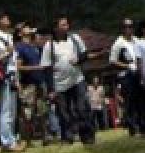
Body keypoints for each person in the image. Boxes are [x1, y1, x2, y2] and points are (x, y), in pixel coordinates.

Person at [42, 16, 93, 145]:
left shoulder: (75, 38)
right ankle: (67, 137)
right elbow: (47, 68)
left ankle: (87, 136)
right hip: (59, 84)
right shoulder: (49, 46)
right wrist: (50, 90)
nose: (67, 27)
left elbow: (85, 54)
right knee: (64, 112)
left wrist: (79, 60)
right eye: (63, 25)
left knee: (82, 108)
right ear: (56, 28)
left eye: (67, 24)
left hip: (77, 79)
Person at [0, 11, 25, 153]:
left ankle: (11, 139)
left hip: (12, 77)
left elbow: (13, 62)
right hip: (4, 79)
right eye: (3, 18)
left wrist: (17, 79)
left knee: (12, 111)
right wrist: (6, 54)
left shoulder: (8, 37)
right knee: (5, 111)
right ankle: (7, 142)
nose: (7, 18)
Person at [14, 24, 48, 146]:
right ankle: (26, 140)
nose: (29, 28)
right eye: (26, 27)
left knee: (43, 111)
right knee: (28, 113)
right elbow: (18, 67)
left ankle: (45, 138)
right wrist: (37, 67)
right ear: (20, 33)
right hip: (28, 84)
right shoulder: (19, 47)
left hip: (40, 82)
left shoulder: (34, 47)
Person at [108, 19, 139, 136]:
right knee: (129, 102)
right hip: (125, 75)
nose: (129, 29)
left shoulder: (136, 40)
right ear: (122, 29)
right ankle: (132, 127)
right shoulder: (118, 43)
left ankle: (141, 124)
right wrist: (127, 65)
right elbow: (112, 61)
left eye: (131, 26)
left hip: (138, 73)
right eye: (127, 27)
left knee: (139, 100)